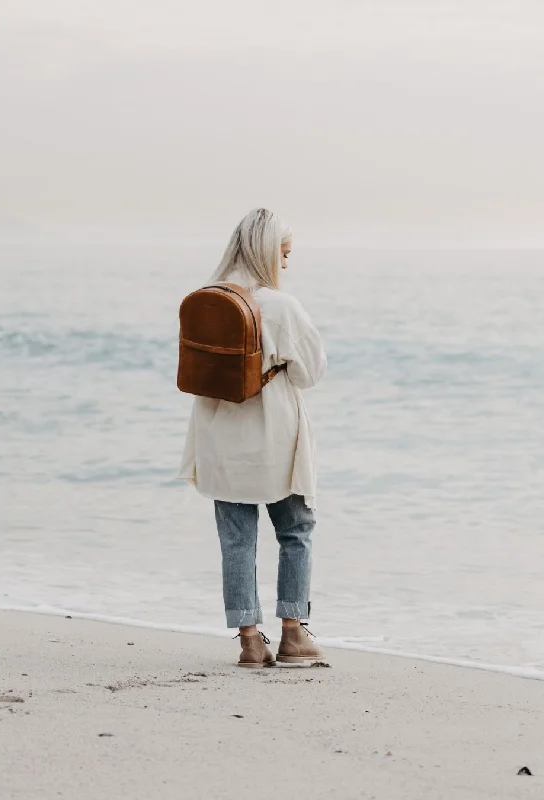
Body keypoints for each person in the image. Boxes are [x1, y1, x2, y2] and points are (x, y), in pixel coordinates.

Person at [179, 208, 327, 667]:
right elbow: (312, 372)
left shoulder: (206, 299)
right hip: (272, 437)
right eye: (284, 253)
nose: (286, 264)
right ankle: (292, 634)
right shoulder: (281, 307)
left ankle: (248, 639)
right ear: (267, 252)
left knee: (237, 540)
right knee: (295, 530)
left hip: (218, 437)